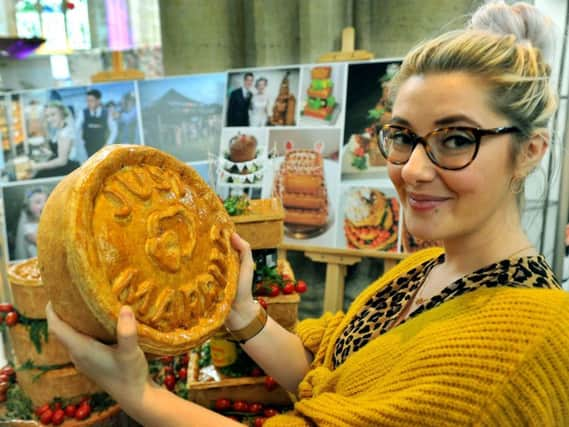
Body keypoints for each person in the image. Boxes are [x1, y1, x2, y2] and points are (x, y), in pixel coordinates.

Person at [46, 2, 569, 426]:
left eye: (456, 140)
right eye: (403, 136)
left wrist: (136, 391)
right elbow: (326, 374)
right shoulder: (429, 266)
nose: (412, 170)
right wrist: (242, 311)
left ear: (530, 151)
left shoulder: (526, 345)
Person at [31, 102, 80, 179]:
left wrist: (37, 166)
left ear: (62, 114)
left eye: (53, 115)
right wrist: (49, 152)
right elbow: (61, 152)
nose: (49, 119)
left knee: (37, 177)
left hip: (69, 170)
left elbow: (62, 161)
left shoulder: (65, 133)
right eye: (47, 116)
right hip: (66, 166)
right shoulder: (61, 129)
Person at [76, 89, 118, 157]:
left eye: (91, 101)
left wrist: (108, 144)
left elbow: (114, 130)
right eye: (87, 101)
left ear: (98, 101)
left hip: (102, 147)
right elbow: (76, 128)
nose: (89, 103)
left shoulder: (106, 113)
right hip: (87, 147)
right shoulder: (83, 113)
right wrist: (81, 142)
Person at [14, 188, 47, 260]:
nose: (44, 205)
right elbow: (41, 243)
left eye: (45, 201)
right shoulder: (28, 228)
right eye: (38, 202)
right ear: (29, 206)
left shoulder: (44, 222)